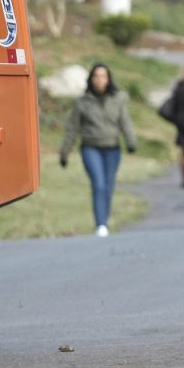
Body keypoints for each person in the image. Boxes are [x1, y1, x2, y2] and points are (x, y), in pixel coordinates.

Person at [60, 63, 137, 238]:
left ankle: (105, 219)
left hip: (112, 149)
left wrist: (131, 141)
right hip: (90, 147)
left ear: (108, 79)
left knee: (108, 186)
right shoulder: (82, 102)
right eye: (96, 76)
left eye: (103, 76)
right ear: (91, 79)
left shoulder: (117, 99)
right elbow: (72, 128)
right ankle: (100, 224)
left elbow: (125, 122)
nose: (99, 79)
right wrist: (65, 152)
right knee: (98, 184)